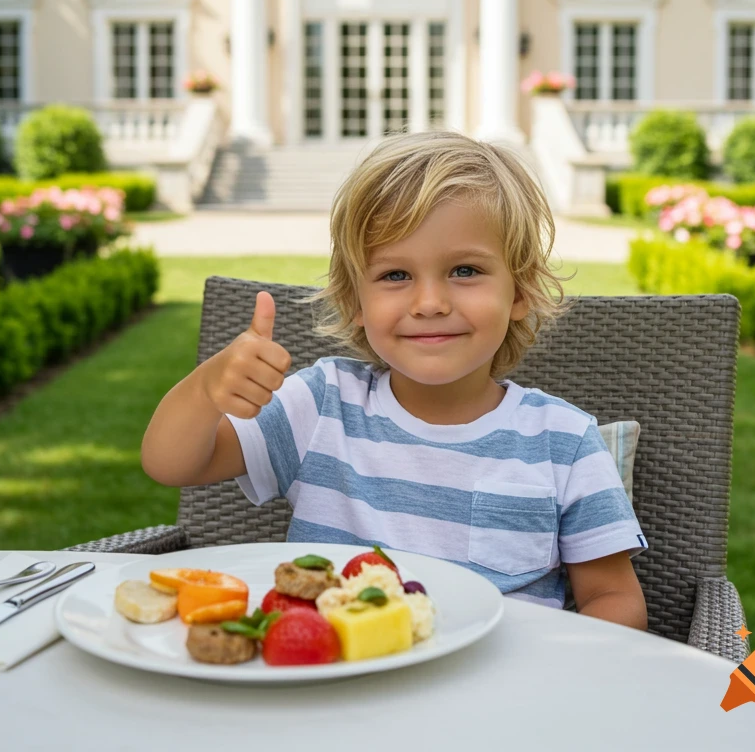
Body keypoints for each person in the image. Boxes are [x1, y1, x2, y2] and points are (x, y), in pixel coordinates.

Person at [142, 131, 649, 631]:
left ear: (519, 292)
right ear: (355, 303)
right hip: (334, 686)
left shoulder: (563, 440)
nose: (429, 302)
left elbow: (612, 595)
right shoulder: (322, 405)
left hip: (496, 698)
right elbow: (171, 463)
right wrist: (206, 392)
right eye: (395, 276)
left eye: (465, 270)